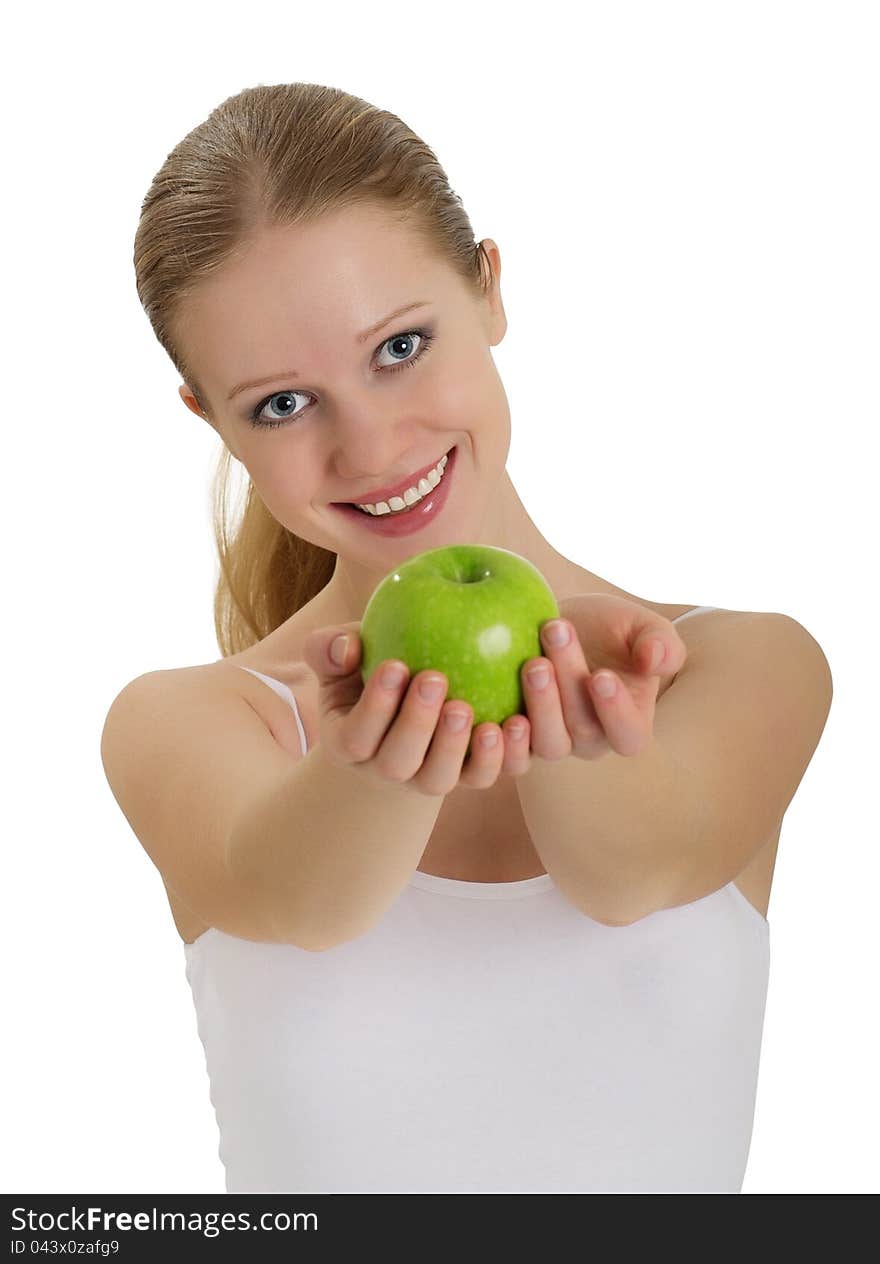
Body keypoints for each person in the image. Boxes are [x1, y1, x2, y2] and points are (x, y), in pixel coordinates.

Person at [101, 82, 831, 1193]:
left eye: (399, 345)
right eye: (283, 405)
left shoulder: (739, 665)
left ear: (488, 289)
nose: (373, 444)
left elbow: (635, 870)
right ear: (212, 418)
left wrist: (570, 708)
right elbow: (303, 897)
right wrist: (367, 766)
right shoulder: (190, 722)